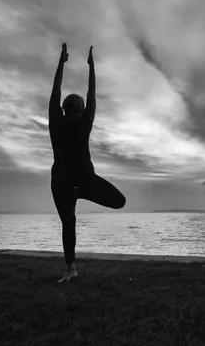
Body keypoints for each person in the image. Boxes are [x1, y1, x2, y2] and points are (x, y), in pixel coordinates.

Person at [49, 43, 126, 283]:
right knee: (71, 222)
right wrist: (91, 67)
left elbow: (57, 88)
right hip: (70, 182)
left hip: (70, 182)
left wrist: (62, 62)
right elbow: (90, 93)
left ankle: (71, 268)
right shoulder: (79, 122)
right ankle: (70, 268)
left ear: (66, 109)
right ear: (79, 110)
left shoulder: (58, 121)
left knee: (70, 222)